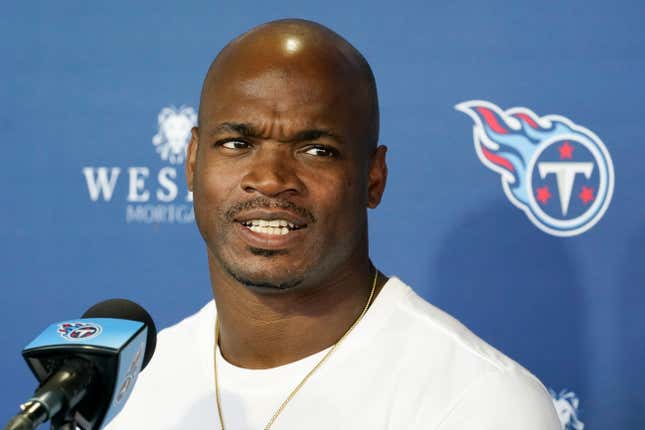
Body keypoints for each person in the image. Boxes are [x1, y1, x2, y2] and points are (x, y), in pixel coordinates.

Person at [105, 19, 561, 429]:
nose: (270, 178)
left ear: (373, 178)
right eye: (237, 142)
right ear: (191, 162)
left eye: (316, 150)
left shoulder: (477, 404)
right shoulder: (134, 391)